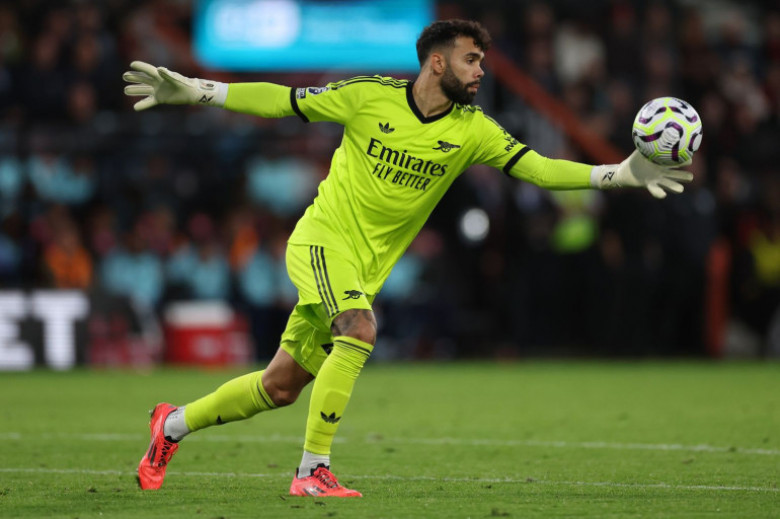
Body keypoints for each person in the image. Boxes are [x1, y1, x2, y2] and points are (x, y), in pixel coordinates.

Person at [123, 19, 692, 497]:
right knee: (360, 329)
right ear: (437, 63)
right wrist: (200, 91)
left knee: (280, 387)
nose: (481, 71)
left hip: (364, 269)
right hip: (322, 242)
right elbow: (283, 101)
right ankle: (312, 471)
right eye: (471, 60)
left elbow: (539, 169)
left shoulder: (472, 130)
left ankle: (171, 424)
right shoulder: (368, 95)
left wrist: (619, 174)